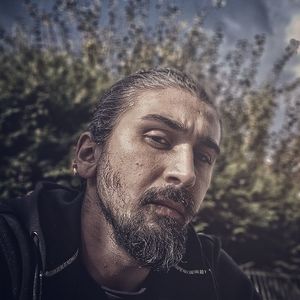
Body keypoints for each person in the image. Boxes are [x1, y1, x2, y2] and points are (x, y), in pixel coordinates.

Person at [0, 68, 260, 300]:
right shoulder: (13, 250)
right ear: (89, 155)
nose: (187, 173)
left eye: (204, 157)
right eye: (158, 139)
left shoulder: (213, 275)